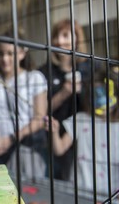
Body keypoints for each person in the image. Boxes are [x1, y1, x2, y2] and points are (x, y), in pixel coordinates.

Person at [0, 31, 48, 178]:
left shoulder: (35, 78)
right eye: (1, 54)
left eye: (11, 54)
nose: (5, 59)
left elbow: (39, 118)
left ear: (22, 53)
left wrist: (10, 139)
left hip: (26, 147)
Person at [45, 70, 119, 198]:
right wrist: (54, 132)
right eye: (95, 94)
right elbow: (59, 149)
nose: (101, 99)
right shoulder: (80, 119)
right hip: (80, 190)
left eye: (106, 92)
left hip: (112, 193)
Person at [39, 18, 88, 180]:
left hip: (85, 140)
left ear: (77, 39)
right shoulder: (44, 72)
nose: (59, 41)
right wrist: (63, 94)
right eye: (56, 36)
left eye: (66, 35)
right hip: (54, 139)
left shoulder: (90, 68)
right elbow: (40, 111)